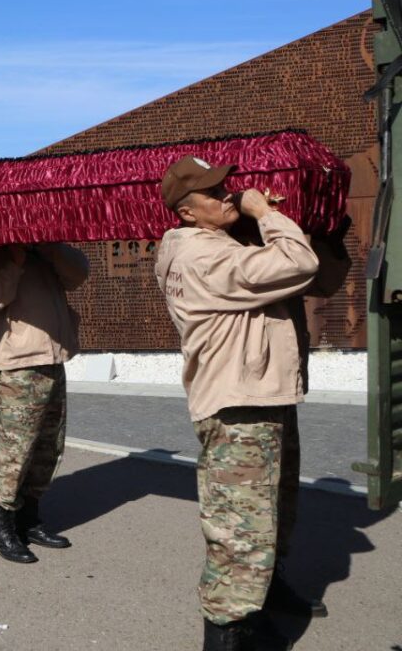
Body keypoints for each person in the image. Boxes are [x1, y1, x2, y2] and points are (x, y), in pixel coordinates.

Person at [154, 156, 320, 649]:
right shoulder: (204, 256)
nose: (229, 195)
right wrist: (263, 214)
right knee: (239, 529)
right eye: (215, 194)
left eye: (228, 187)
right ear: (186, 213)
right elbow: (300, 263)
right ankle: (227, 633)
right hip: (236, 407)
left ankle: (258, 607)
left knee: (269, 513)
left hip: (258, 394)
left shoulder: (215, 244)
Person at [0, 241, 88, 564]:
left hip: (53, 358)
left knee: (49, 446)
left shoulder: (48, 252)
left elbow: (80, 275)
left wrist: (50, 251)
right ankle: (2, 526)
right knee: (14, 451)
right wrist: (14, 265)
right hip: (13, 367)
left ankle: (30, 518)